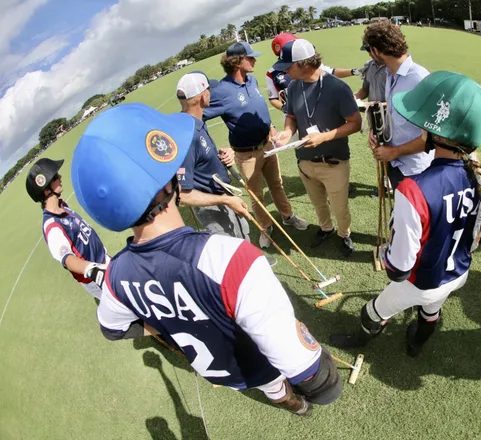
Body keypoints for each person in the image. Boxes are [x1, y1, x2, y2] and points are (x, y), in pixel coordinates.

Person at [71, 103, 342, 414]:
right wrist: (323, 370)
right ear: (168, 181)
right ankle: (298, 405)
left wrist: (165, 324)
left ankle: (296, 408)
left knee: (274, 390)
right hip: (261, 365)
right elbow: (320, 383)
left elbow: (113, 329)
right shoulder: (230, 259)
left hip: (223, 373)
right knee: (279, 384)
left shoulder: (116, 275)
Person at [329, 71, 481, 356]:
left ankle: (361, 339)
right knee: (431, 310)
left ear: (439, 134)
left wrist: (386, 253)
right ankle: (416, 343)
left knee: (373, 312)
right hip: (459, 274)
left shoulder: (413, 190)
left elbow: (399, 269)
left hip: (422, 282)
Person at [203, 42, 309, 249]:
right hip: (246, 154)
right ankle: (265, 227)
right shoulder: (222, 91)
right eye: (250, 57)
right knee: (256, 195)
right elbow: (199, 119)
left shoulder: (251, 80)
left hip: (268, 145)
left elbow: (259, 109)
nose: (254, 60)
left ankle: (287, 216)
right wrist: (220, 149)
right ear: (236, 62)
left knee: (277, 184)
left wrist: (271, 127)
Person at [272, 39, 361, 256]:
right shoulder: (293, 87)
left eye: (287, 66)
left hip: (334, 161)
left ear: (303, 64)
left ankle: (344, 234)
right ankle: (325, 229)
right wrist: (286, 132)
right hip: (305, 161)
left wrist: (324, 138)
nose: (283, 72)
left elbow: (356, 123)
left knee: (340, 208)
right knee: (318, 203)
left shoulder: (337, 87)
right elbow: (291, 116)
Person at [174, 72, 252, 242]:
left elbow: (199, 159)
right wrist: (225, 200)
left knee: (244, 239)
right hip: (213, 207)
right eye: (209, 90)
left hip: (224, 196)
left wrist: (219, 157)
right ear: (203, 97)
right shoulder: (186, 135)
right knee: (232, 256)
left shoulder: (196, 122)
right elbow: (183, 195)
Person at [361, 20, 432, 190]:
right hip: (395, 164)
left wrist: (395, 151)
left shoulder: (419, 78)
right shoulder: (390, 73)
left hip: (416, 170)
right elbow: (394, 113)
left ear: (376, 51)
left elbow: (432, 137)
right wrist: (378, 132)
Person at [26, 158, 108, 299]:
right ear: (46, 190)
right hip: (96, 276)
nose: (60, 177)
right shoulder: (52, 227)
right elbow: (67, 259)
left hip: (104, 259)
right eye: (56, 177)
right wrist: (95, 271)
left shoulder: (61, 205)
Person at [266, 33, 363, 114]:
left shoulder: (307, 63)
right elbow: (273, 98)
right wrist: (285, 109)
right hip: (293, 115)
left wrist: (353, 71)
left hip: (318, 108)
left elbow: (331, 72)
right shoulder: (271, 73)